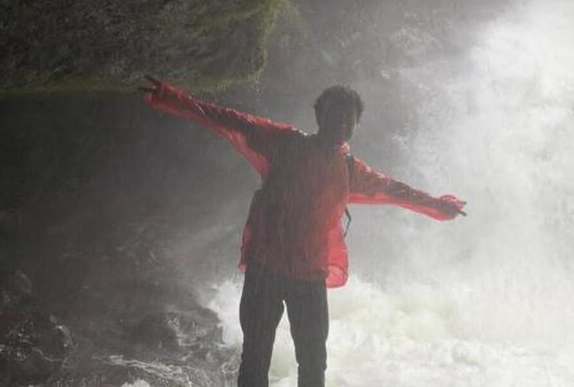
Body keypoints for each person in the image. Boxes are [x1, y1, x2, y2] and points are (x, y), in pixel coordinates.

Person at [140, 76, 466, 387]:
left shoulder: (350, 168)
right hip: (265, 269)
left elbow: (394, 189)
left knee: (313, 362)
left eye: (348, 119)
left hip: (309, 277)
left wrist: (438, 205)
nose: (341, 124)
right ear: (319, 114)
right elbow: (230, 121)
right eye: (335, 115)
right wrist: (172, 98)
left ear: (356, 125)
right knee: (255, 357)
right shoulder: (283, 142)